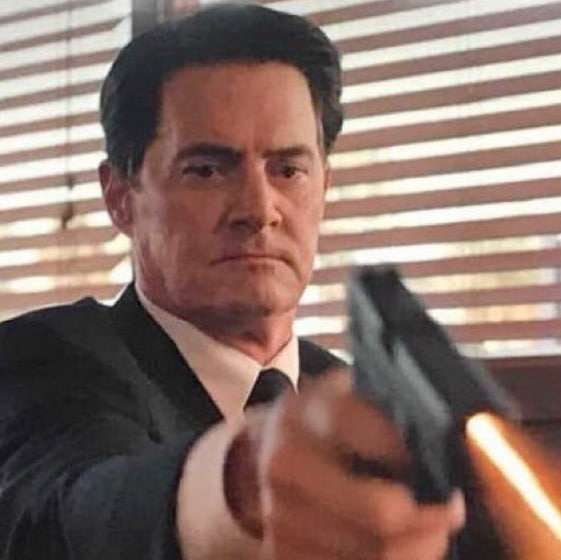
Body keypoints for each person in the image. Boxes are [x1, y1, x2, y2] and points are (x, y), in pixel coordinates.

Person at [0, 3, 466, 560]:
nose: (259, 209)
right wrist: (241, 484)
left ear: (323, 186)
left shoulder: (357, 407)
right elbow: (80, 510)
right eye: (206, 170)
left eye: (288, 170)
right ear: (120, 197)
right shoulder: (41, 363)